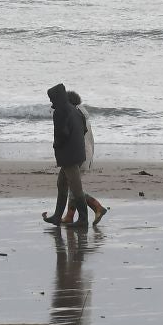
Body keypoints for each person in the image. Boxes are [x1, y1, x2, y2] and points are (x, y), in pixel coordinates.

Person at [42, 82, 89, 228]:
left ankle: (83, 220)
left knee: (76, 188)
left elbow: (61, 133)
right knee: (61, 184)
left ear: (57, 98)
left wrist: (57, 145)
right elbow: (84, 129)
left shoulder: (60, 112)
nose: (51, 102)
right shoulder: (75, 110)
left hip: (70, 156)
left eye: (52, 99)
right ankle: (57, 216)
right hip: (78, 153)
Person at [61, 90, 109, 226]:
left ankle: (97, 207)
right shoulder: (82, 114)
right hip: (85, 153)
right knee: (73, 186)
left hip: (80, 155)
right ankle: (70, 215)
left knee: (75, 188)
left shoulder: (75, 115)